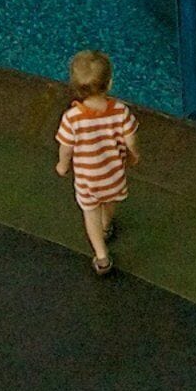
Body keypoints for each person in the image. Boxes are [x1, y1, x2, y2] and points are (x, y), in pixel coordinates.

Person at [52, 49, 140, 275]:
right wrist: (133, 156)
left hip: (88, 180)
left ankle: (102, 256)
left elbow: (66, 148)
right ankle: (106, 225)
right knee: (110, 202)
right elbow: (131, 140)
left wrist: (63, 165)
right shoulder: (120, 111)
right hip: (114, 175)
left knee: (90, 212)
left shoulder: (72, 118)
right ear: (109, 83)